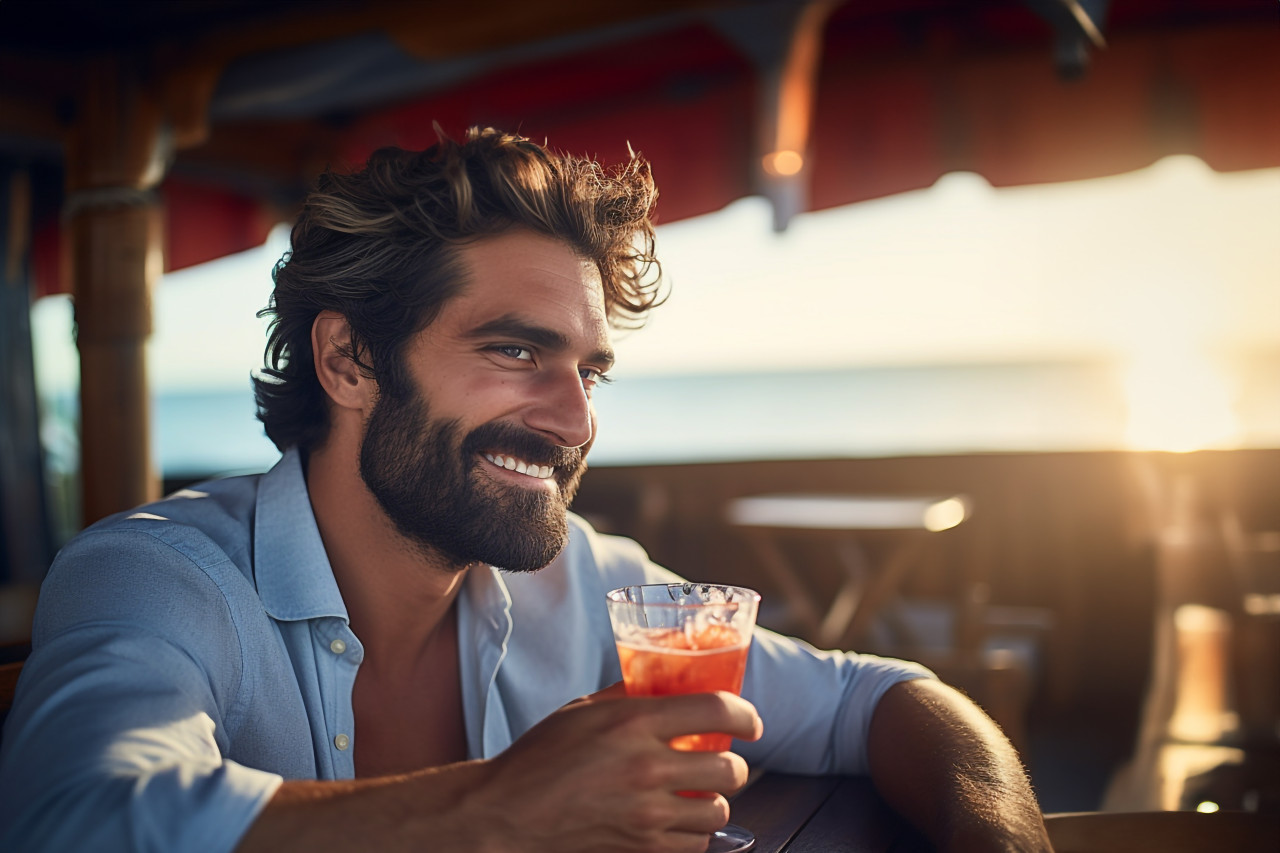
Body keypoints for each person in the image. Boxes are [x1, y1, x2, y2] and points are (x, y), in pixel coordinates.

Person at [0, 127, 1052, 852]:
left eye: (588, 371)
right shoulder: (156, 573)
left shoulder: (580, 580)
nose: (576, 419)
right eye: (515, 350)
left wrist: (997, 835)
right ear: (349, 362)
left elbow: (874, 697)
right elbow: (75, 818)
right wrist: (500, 809)